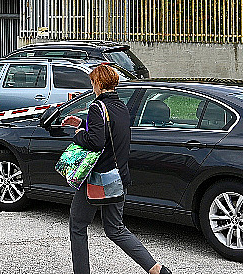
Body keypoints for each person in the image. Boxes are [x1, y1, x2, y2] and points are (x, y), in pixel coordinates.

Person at [65, 64, 171, 274]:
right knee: (115, 228)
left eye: (92, 82)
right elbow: (110, 133)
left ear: (98, 83)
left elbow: (96, 142)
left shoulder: (97, 106)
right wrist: (84, 123)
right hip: (118, 178)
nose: (92, 86)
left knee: (77, 226)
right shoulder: (121, 106)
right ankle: (156, 269)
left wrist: (78, 133)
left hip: (97, 179)